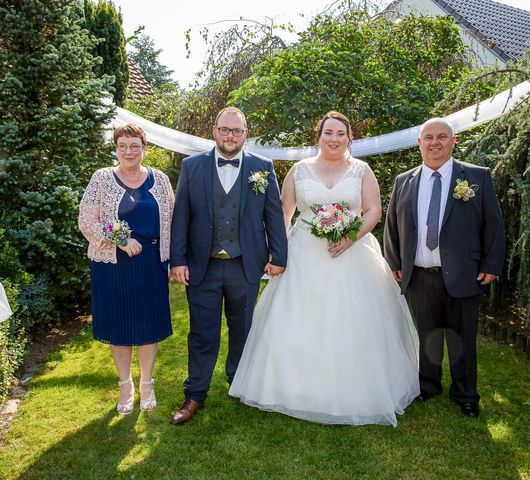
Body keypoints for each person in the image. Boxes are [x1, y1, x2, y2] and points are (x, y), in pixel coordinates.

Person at [228, 111, 420, 426]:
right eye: (328, 133)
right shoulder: (299, 171)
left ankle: (356, 391)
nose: (333, 139)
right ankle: (293, 390)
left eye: (340, 134)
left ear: (349, 138)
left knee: (353, 323)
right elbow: (282, 215)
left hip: (353, 255)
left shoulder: (362, 170)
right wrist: (278, 254)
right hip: (303, 256)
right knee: (296, 320)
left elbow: (373, 210)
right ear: (318, 136)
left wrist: (350, 237)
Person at [169, 106, 288, 426]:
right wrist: (177, 260)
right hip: (202, 267)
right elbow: (181, 216)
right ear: (214, 130)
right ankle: (195, 395)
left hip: (245, 265)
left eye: (237, 131)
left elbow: (273, 215)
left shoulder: (263, 167)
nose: (231, 136)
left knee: (243, 330)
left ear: (246, 134)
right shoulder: (192, 167)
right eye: (225, 130)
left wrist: (280, 256)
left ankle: (241, 385)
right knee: (202, 334)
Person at [384, 117, 506, 418]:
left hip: (464, 274)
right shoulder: (404, 181)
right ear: (419, 143)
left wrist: (491, 264)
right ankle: (428, 385)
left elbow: (493, 224)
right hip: (420, 275)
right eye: (428, 137)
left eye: (442, 137)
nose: (434, 142)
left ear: (453, 142)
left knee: (462, 336)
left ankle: (465, 394)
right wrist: (396, 263)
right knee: (428, 334)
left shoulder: (477, 178)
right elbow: (392, 227)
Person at [78, 123, 174, 415]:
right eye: (123, 146)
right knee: (118, 327)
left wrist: (174, 258)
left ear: (145, 149)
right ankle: (125, 386)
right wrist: (119, 239)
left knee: (148, 325)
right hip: (113, 265)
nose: (129, 151)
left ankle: (147, 383)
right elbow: (86, 220)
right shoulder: (102, 178)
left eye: (135, 146)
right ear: (116, 148)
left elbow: (173, 219)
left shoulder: (160, 179)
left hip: (151, 264)